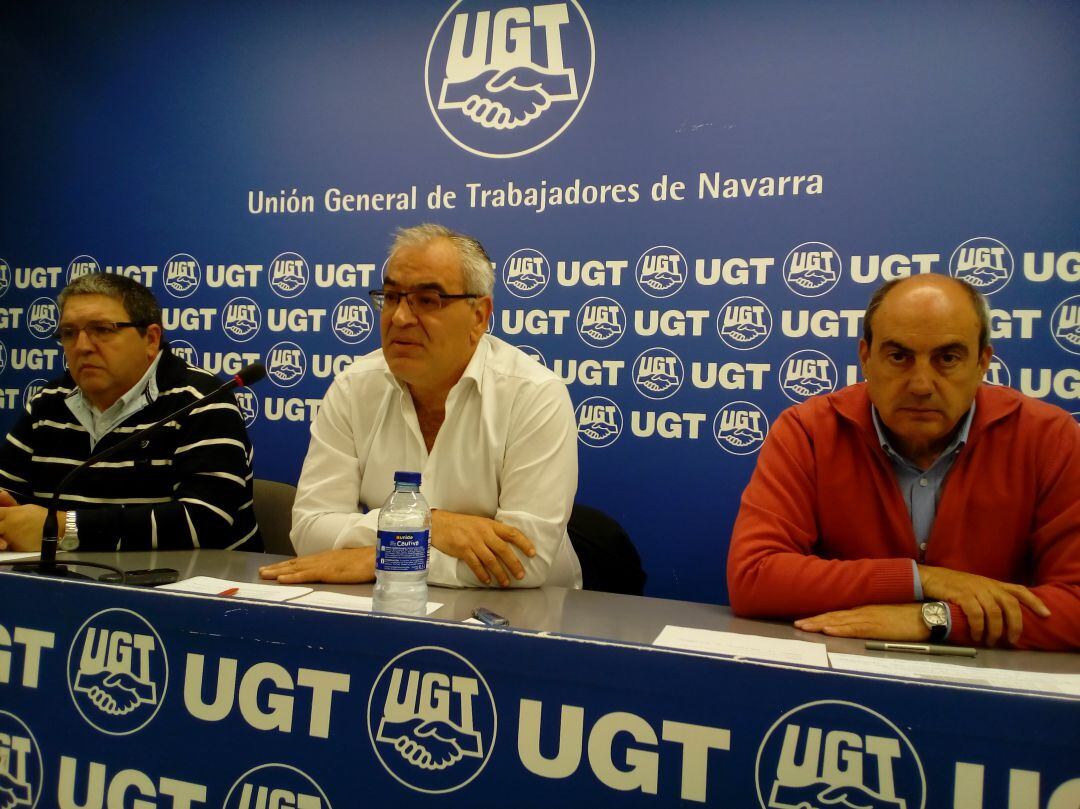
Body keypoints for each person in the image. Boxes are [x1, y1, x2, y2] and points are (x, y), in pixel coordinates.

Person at [727, 274, 1079, 651]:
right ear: (866, 357)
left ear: (982, 363)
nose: (921, 385)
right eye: (899, 357)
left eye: (948, 358)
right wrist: (921, 579)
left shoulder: (1047, 437)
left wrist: (933, 619)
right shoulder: (809, 430)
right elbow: (754, 577)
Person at [260, 224, 580, 588]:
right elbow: (310, 530)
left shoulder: (534, 394)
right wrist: (431, 523)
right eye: (392, 297)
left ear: (479, 316)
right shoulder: (354, 387)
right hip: (391, 605)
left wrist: (378, 556)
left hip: (527, 615)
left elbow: (521, 562)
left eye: (427, 301)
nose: (399, 318)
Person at [0, 274, 261, 553]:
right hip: (63, 584)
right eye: (69, 333)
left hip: (184, 588)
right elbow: (9, 491)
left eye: (102, 329)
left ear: (150, 339)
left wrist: (66, 528)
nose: (82, 346)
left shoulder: (201, 400)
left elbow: (206, 523)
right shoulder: (48, 403)